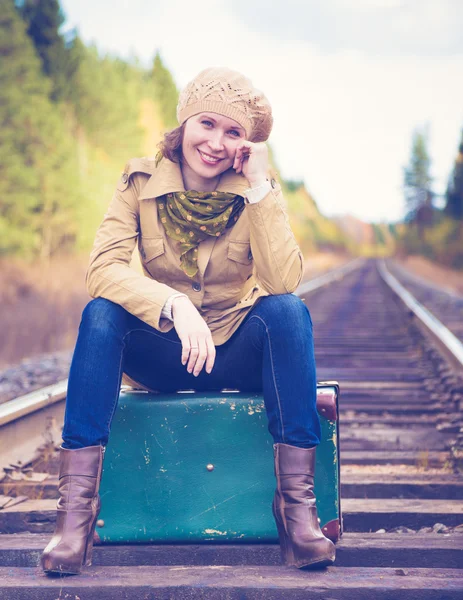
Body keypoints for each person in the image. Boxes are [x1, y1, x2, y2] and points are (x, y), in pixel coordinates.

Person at [41, 67, 336, 575]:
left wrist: (261, 189)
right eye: (207, 124)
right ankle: (75, 522)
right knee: (101, 315)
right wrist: (173, 306)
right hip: (164, 350)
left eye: (234, 132)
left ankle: (296, 515)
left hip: (235, 353)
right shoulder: (139, 182)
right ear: (185, 123)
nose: (216, 142)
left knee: (287, 312)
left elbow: (284, 280)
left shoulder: (258, 192)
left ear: (247, 144)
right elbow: (103, 270)